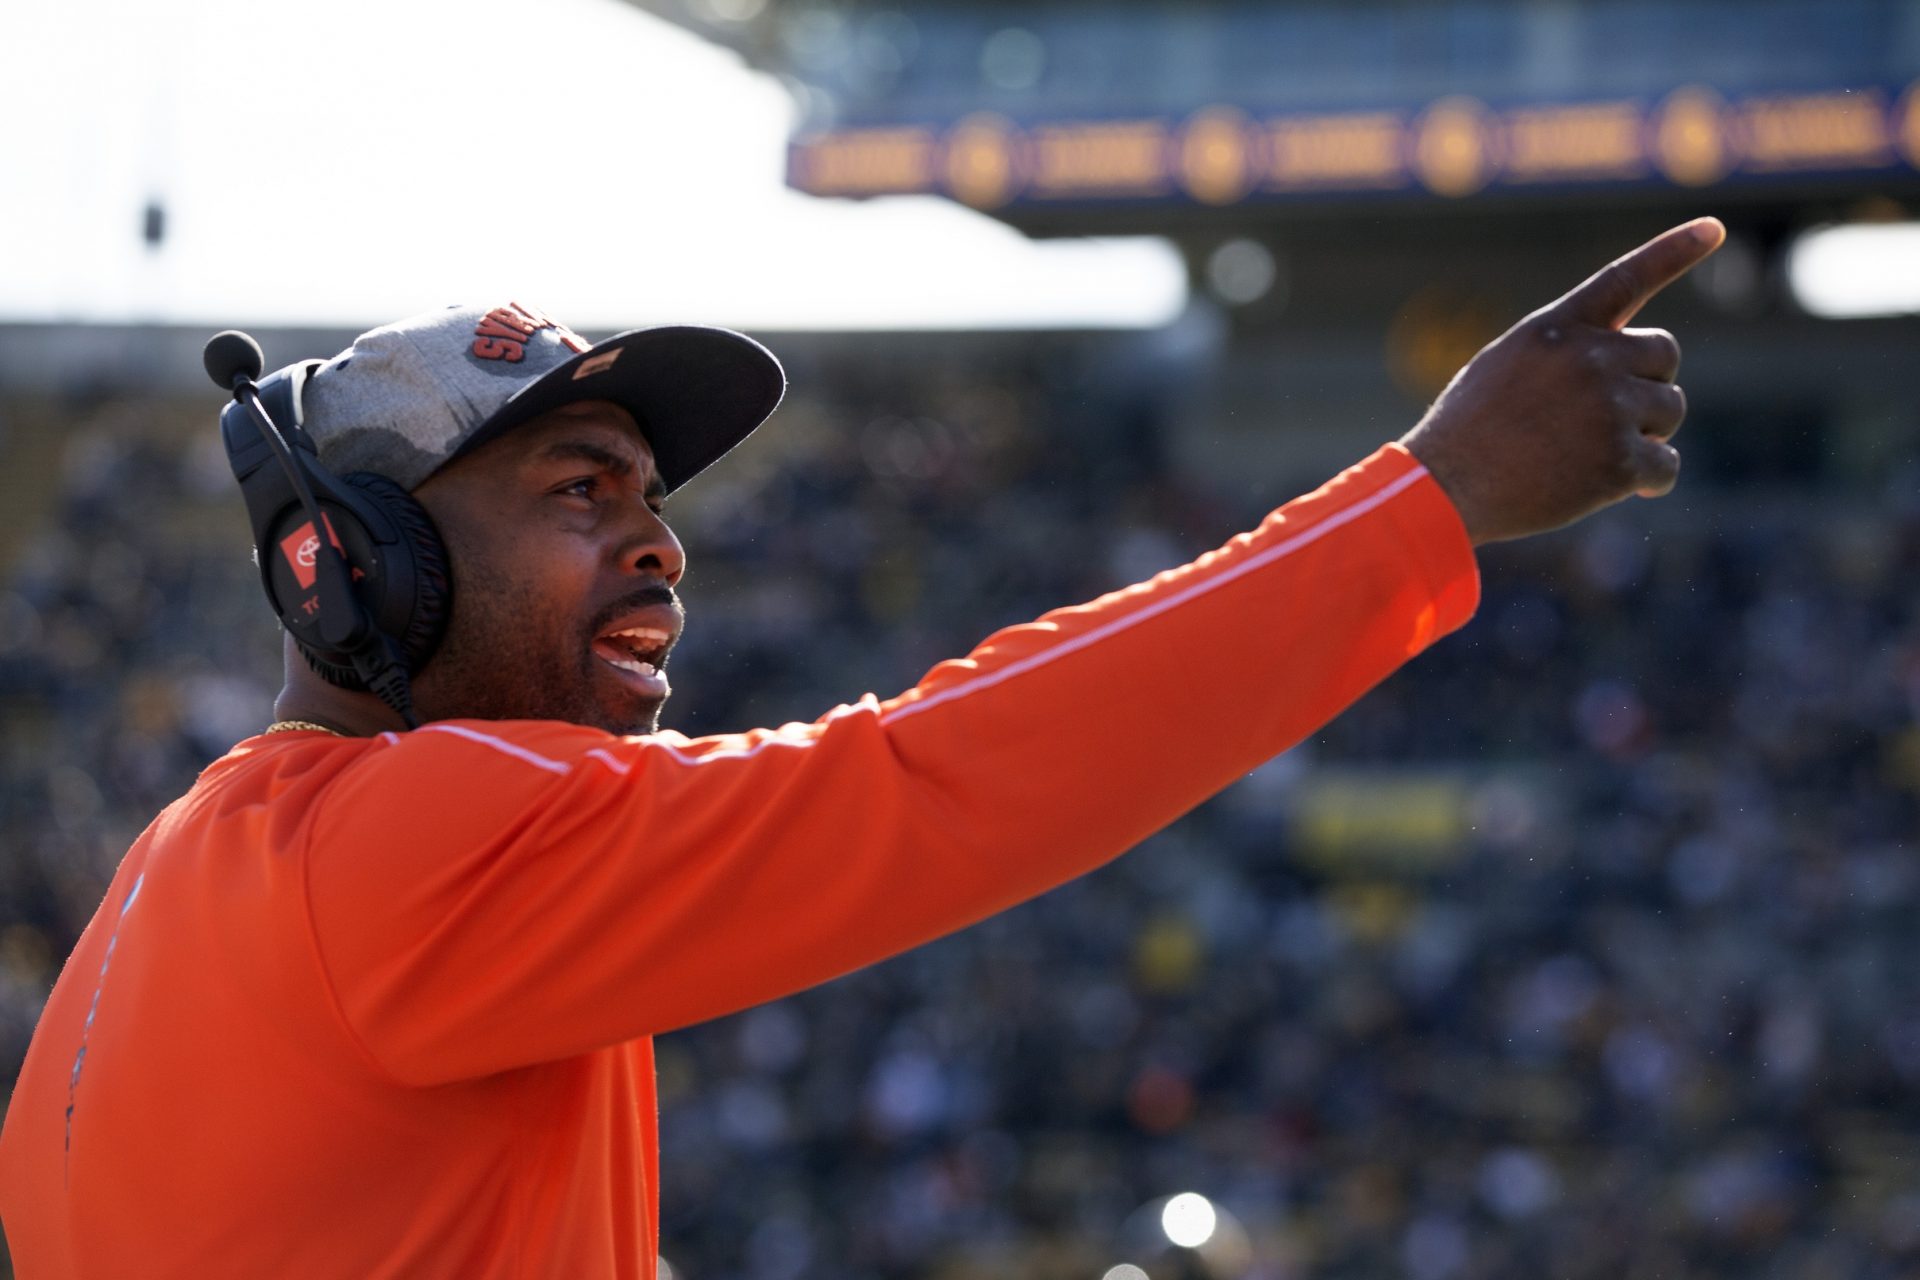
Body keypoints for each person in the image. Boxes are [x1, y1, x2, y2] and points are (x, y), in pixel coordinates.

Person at [0, 219, 1724, 1278]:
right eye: (577, 491)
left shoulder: (189, 864)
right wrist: (1432, 501)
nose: (659, 543)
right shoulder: (425, 834)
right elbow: (936, 777)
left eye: (655, 501)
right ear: (346, 558)